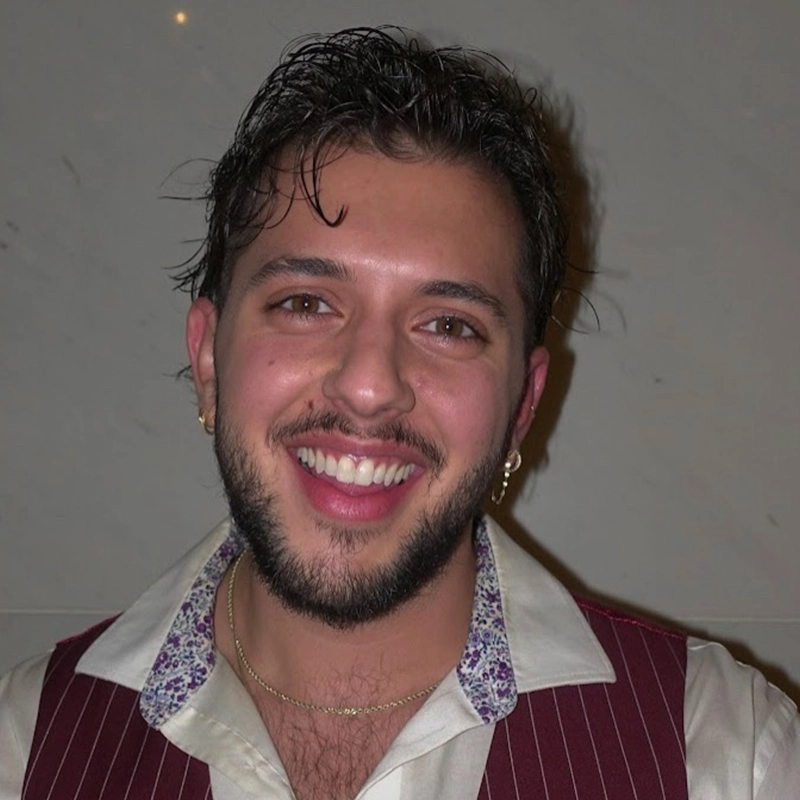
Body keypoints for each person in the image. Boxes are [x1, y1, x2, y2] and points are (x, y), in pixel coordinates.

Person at [1, 26, 798, 800]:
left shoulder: (726, 756)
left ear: (523, 404)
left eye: (449, 324)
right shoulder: (22, 747)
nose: (369, 385)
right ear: (210, 359)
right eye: (307, 302)